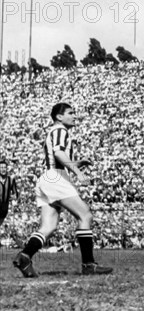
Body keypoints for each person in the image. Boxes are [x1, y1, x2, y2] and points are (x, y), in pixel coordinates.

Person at [13, 103, 112, 278]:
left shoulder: (55, 132)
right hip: (56, 177)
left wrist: (76, 163)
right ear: (59, 116)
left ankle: (25, 256)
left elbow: (56, 155)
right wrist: (77, 171)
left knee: (48, 226)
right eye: (70, 113)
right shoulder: (60, 130)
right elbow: (59, 153)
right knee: (85, 216)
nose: (74, 116)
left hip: (46, 178)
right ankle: (88, 264)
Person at [0, 158, 19, 227]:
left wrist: (13, 197)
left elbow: (15, 193)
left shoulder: (10, 180)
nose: (3, 169)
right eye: (1, 167)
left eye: (4, 167)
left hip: (4, 209)